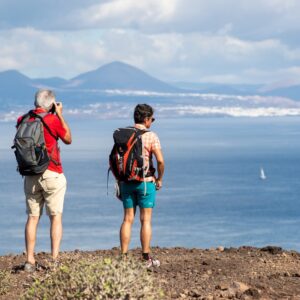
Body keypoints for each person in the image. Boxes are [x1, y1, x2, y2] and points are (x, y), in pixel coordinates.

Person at [17, 89, 72, 272]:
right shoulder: (52, 120)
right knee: (55, 217)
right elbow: (68, 139)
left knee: (32, 217)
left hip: (30, 174)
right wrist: (60, 115)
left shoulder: (23, 120)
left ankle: (29, 260)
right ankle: (55, 259)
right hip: (51, 172)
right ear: (51, 104)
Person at [119, 104, 164, 267]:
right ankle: (145, 258)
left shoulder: (124, 134)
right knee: (145, 220)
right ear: (146, 119)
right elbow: (160, 160)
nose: (152, 122)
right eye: (151, 119)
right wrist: (159, 178)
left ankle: (123, 258)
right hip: (145, 182)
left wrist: (119, 181)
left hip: (126, 182)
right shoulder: (151, 136)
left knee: (127, 219)